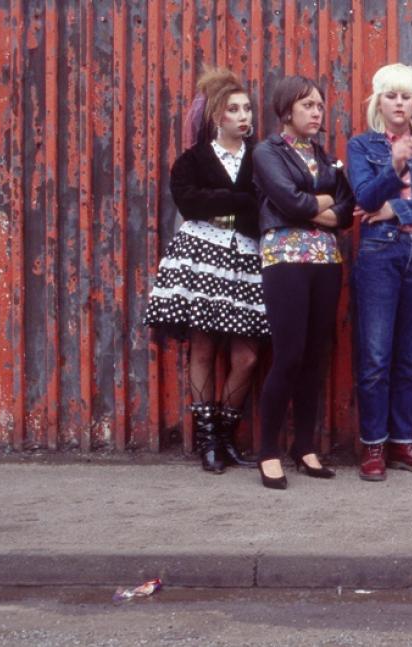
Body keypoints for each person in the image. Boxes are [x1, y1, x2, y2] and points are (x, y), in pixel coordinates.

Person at [144, 67, 267, 474]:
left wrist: (224, 199)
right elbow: (191, 204)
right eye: (234, 109)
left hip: (246, 256)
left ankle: (227, 434)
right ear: (218, 116)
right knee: (203, 346)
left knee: (247, 356)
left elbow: (264, 201)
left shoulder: (261, 156)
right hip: (201, 252)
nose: (244, 116)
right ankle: (207, 440)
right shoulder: (192, 159)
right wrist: (239, 198)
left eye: (247, 108)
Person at [347, 63, 412, 482]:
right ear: (379, 102)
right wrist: (392, 166)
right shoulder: (362, 146)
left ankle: (403, 441)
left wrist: (398, 208)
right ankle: (374, 445)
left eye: (406, 95)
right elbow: (363, 196)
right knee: (375, 356)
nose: (399, 103)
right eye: (391, 95)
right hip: (379, 254)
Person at [250, 76, 355, 489]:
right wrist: (321, 202)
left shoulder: (324, 156)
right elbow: (287, 201)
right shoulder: (266, 152)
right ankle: (268, 452)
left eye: (319, 105)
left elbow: (347, 211)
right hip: (285, 259)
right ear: (286, 111)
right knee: (289, 354)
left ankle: (305, 446)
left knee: (315, 355)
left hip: (327, 260)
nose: (316, 112)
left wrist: (312, 204)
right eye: (307, 105)